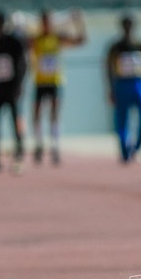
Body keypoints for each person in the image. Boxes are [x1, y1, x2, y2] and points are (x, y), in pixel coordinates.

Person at [29, 8, 86, 165]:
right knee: (37, 114)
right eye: (44, 21)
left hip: (55, 81)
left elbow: (81, 40)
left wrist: (79, 22)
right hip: (40, 82)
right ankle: (39, 144)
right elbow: (22, 43)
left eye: (49, 21)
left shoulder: (57, 38)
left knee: (54, 115)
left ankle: (55, 146)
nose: (46, 24)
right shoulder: (36, 39)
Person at [106, 15, 141, 163]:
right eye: (125, 25)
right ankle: (124, 151)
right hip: (122, 83)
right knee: (121, 119)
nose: (128, 28)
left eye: (130, 25)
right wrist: (111, 88)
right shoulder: (115, 47)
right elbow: (108, 68)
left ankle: (137, 147)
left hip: (139, 83)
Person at [0, 10, 27, 173]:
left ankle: (19, 154)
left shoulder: (14, 40)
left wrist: (18, 85)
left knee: (14, 120)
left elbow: (21, 63)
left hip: (12, 89)